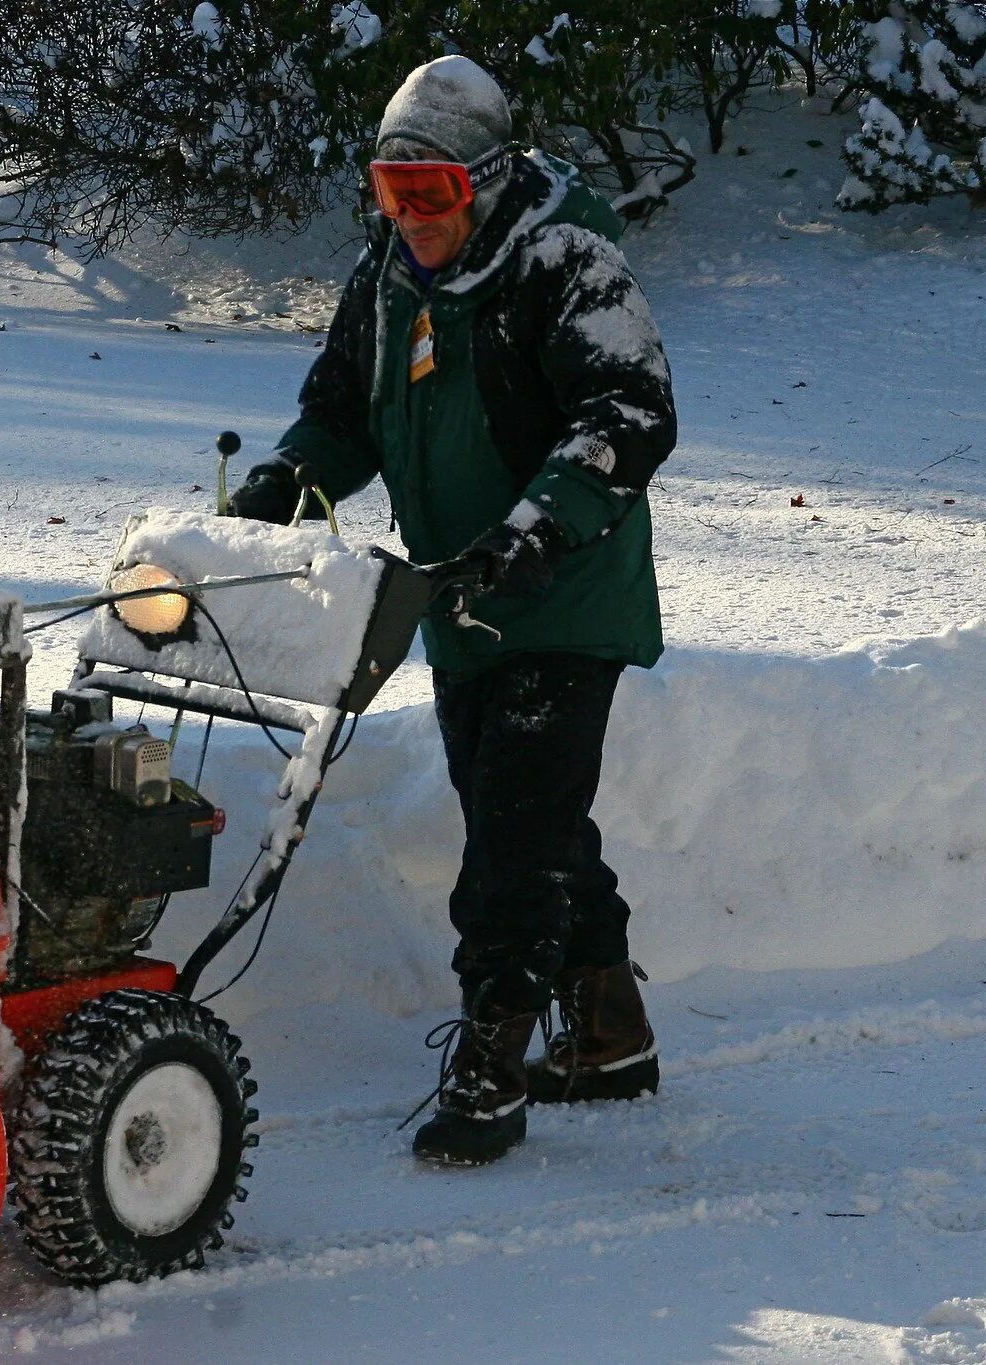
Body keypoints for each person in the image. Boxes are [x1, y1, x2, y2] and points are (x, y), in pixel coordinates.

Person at [226, 55, 676, 1166]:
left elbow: (629, 411)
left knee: (513, 838)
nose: (411, 217)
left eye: (432, 195)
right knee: (527, 815)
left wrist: (540, 523)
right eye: (392, 191)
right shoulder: (387, 275)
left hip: (561, 588)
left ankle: (490, 1065)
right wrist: (292, 479)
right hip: (460, 592)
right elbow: (341, 411)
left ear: (483, 181)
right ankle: (609, 1034)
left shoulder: (568, 259)